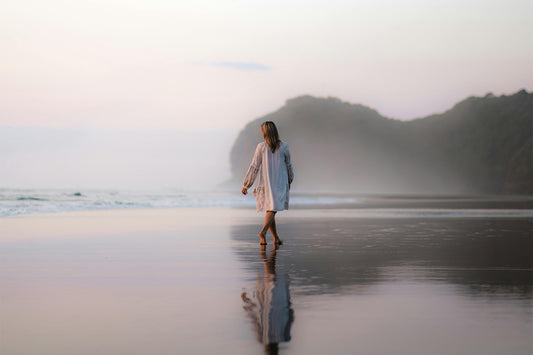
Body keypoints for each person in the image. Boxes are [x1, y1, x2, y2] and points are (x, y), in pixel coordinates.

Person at [241, 121, 294, 245]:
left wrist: (246, 184)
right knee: (272, 209)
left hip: (267, 183)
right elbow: (289, 166)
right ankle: (263, 232)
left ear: (265, 133)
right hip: (280, 183)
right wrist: (290, 179)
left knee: (271, 209)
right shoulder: (284, 146)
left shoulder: (261, 147)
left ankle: (276, 238)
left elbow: (254, 166)